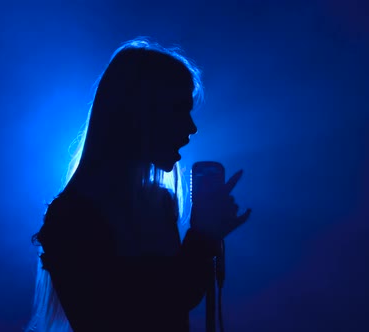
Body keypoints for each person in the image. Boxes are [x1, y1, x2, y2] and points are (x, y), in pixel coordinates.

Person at [25, 38, 252, 332]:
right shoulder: (72, 218)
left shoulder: (157, 203)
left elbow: (174, 297)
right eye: (179, 109)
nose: (191, 127)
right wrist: (203, 236)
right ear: (142, 114)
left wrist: (206, 237)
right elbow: (141, 310)